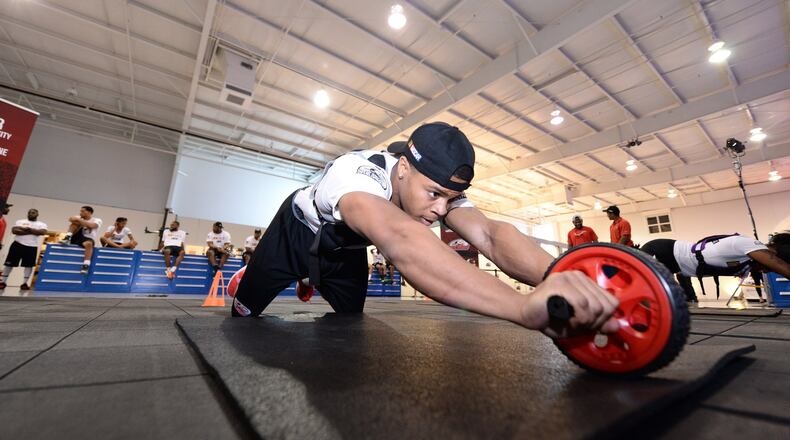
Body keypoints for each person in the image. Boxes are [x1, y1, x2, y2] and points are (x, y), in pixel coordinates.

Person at [232, 122, 619, 339]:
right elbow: (401, 240)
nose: (440, 210)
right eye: (434, 194)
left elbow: (488, 234)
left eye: (449, 199)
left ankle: (312, 280)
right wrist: (521, 307)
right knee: (242, 319)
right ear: (402, 168)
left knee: (348, 329)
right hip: (296, 232)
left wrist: (566, 276)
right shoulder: (357, 175)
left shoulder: (440, 194)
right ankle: (262, 277)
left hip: (346, 251)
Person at [640, 233, 790, 304]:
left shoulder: (748, 259)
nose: (765, 271)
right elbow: (783, 267)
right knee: (638, 281)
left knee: (656, 293)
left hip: (675, 264)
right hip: (663, 249)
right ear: (775, 252)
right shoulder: (751, 245)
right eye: (768, 268)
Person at [0, 208, 47, 290]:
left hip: (32, 247)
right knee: (9, 264)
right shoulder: (20, 221)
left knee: (29, 265)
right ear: (27, 214)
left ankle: (24, 284)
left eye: (33, 212)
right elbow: (14, 231)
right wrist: (32, 231)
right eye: (29, 212)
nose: (31, 213)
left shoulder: (41, 224)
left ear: (37, 214)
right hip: (17, 245)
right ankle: (3, 282)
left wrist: (27, 229)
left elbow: (42, 232)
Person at [60, 206, 102, 275]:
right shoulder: (78, 217)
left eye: (83, 211)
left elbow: (92, 226)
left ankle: (86, 265)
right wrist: (79, 220)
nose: (80, 213)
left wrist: (79, 220)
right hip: (76, 236)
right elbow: (70, 219)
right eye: (80, 211)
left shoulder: (97, 220)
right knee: (74, 223)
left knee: (89, 244)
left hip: (87, 238)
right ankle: (67, 238)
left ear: (89, 212)